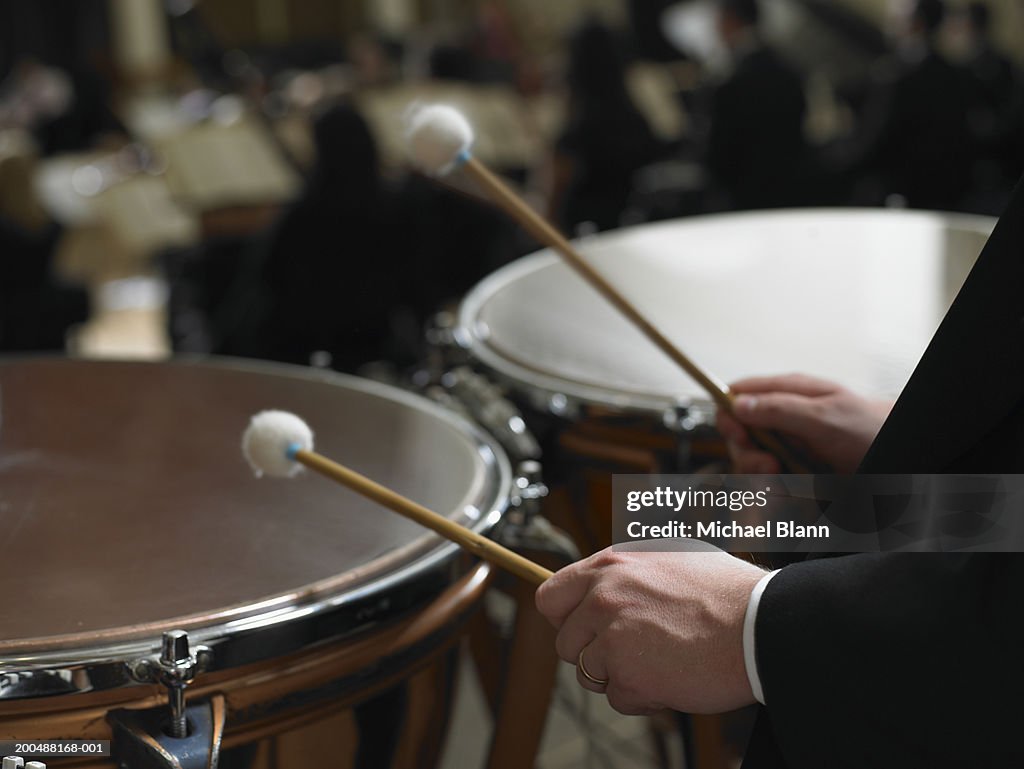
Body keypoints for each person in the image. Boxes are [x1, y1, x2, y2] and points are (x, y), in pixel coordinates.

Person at [535, 171, 1024, 765]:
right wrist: (911, 448)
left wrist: (757, 629)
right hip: (982, 525)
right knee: (679, 509)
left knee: (677, 515)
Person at [703, 0, 814, 210]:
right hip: (792, 187)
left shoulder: (730, 79)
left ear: (730, 20)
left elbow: (719, 152)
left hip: (744, 195)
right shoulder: (789, 69)